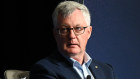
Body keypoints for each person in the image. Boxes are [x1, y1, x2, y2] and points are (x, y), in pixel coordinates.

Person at [30, 1, 116, 79]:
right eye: (64, 29)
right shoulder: (44, 69)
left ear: (89, 32)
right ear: (55, 34)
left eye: (78, 28)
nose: (71, 36)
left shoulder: (106, 70)